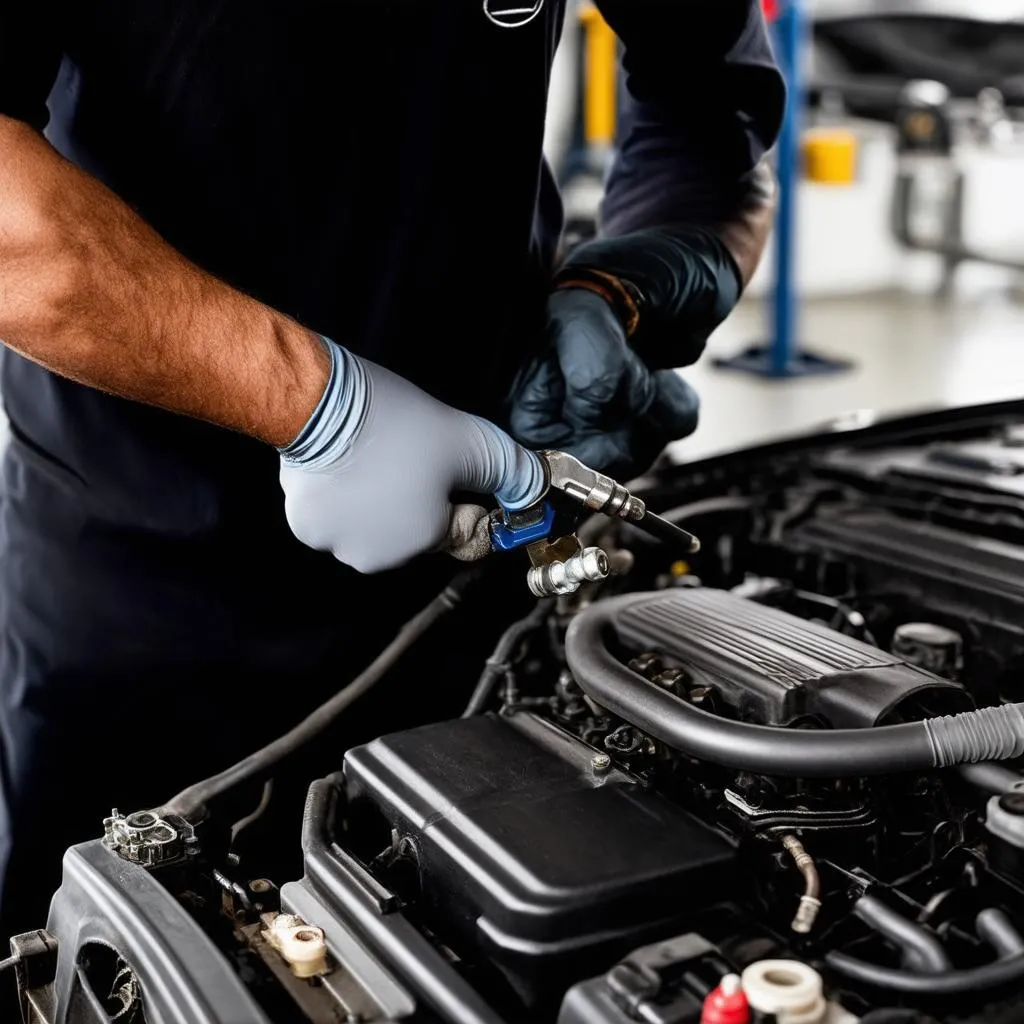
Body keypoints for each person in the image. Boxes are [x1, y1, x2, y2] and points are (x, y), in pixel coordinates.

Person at [0, 1, 783, 935]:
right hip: (134, 567)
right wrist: (318, 407)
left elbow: (713, 106)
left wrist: (625, 287)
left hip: (473, 548)